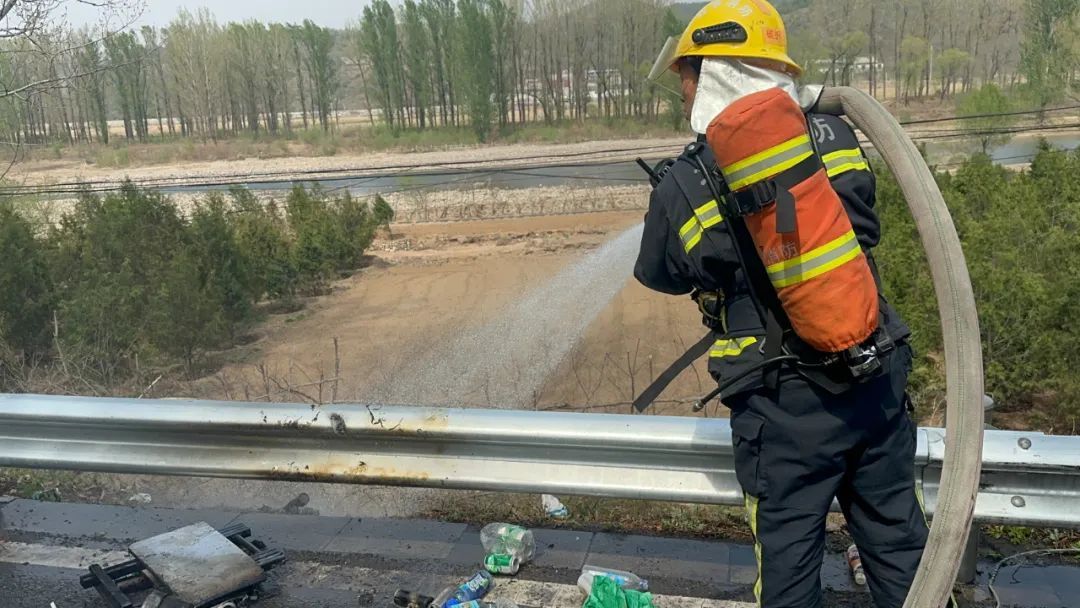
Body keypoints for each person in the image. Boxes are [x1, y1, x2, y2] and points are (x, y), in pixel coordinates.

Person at [634, 2, 932, 607]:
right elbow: (865, 228)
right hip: (874, 378)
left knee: (790, 577)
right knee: (907, 560)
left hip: (783, 407)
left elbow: (660, 273)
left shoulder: (684, 180)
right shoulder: (838, 134)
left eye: (687, 73)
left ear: (711, 72)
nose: (683, 87)